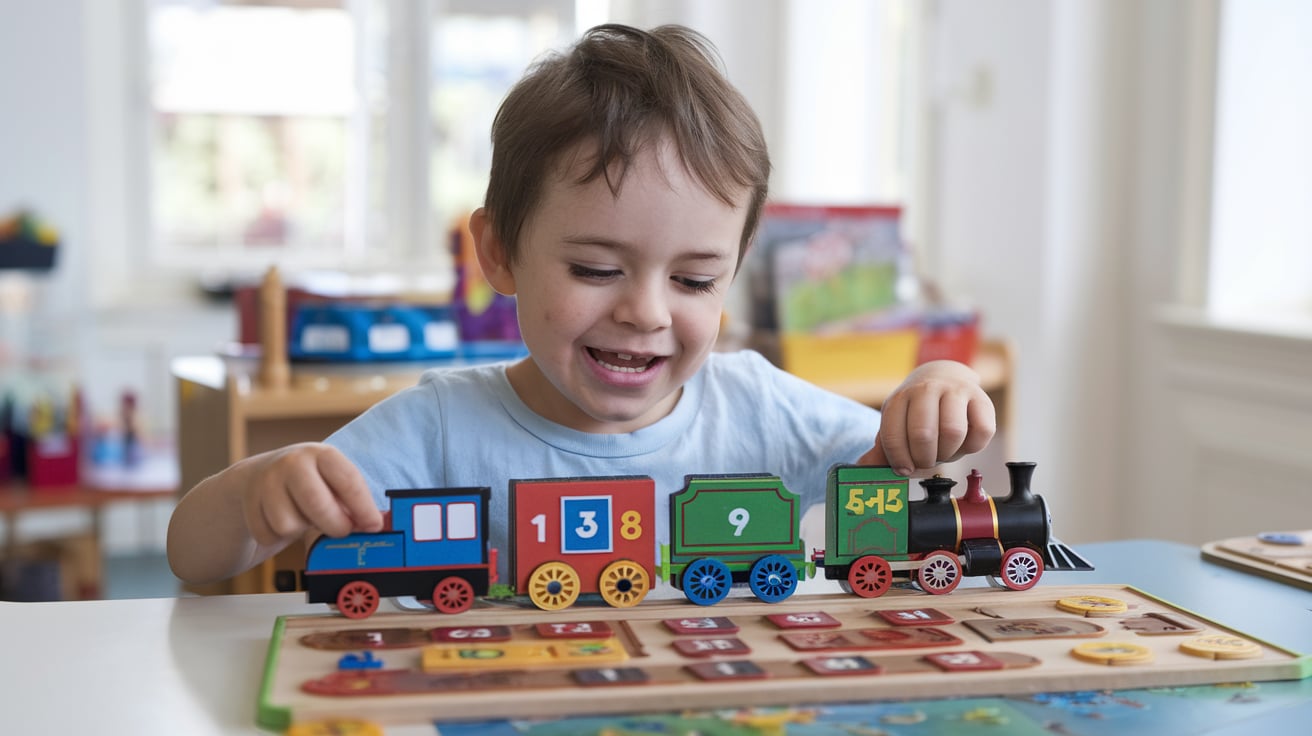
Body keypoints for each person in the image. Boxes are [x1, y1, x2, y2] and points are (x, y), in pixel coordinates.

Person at [167, 23, 994, 586]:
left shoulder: (761, 407)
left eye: (694, 280)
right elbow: (191, 558)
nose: (645, 311)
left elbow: (897, 466)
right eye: (598, 268)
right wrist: (254, 493)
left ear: (734, 273)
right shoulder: (440, 429)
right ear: (498, 253)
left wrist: (937, 386)